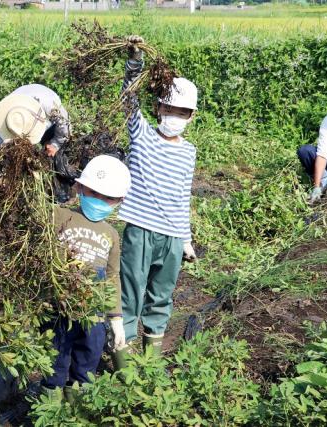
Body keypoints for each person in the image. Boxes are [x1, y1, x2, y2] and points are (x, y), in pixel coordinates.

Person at [116, 36, 198, 364]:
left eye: (183, 111)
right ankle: (124, 371)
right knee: (131, 295)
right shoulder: (143, 135)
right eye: (170, 108)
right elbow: (128, 100)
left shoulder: (189, 151)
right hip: (140, 230)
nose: (175, 115)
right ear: (159, 108)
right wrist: (134, 61)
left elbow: (182, 196)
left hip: (172, 238)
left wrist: (186, 240)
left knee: (160, 298)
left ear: (191, 116)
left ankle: (148, 367)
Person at [41, 155, 131, 402]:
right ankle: (49, 411)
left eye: (108, 198)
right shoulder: (58, 215)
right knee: (54, 364)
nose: (99, 201)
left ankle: (76, 412)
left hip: (93, 315)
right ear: (79, 187)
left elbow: (112, 278)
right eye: (93, 192)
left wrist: (116, 319)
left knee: (86, 366)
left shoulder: (111, 234)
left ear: (119, 201)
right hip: (58, 309)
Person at [0, 84, 76, 203]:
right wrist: (2, 171)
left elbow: (65, 125)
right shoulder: (6, 121)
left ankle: (60, 193)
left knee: (55, 155)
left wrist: (55, 144)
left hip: (47, 120)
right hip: (24, 117)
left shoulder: (50, 107)